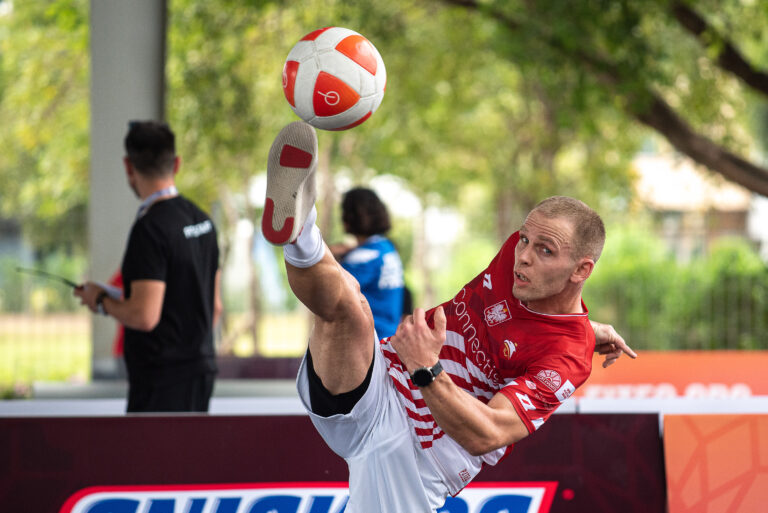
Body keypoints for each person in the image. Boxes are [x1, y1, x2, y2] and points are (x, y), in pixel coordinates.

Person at [260, 121, 636, 512]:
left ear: (581, 271)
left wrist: (425, 366)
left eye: (545, 251)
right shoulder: (520, 259)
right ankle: (300, 233)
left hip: (415, 458)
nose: (523, 255)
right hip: (377, 384)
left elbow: (488, 433)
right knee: (349, 307)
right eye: (524, 238)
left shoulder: (568, 359)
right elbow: (539, 322)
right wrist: (589, 327)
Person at [75, 120, 223, 413]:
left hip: (161, 380)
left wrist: (101, 300)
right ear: (176, 163)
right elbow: (214, 307)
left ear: (128, 166)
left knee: (152, 460)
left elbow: (144, 316)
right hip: (201, 371)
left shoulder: (150, 229)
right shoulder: (202, 221)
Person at [329, 187, 405, 339]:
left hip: (366, 343)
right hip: (388, 337)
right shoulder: (387, 248)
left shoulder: (362, 257)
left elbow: (330, 292)